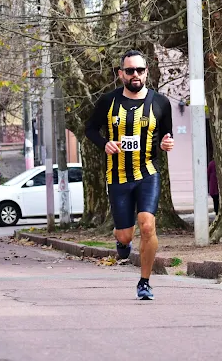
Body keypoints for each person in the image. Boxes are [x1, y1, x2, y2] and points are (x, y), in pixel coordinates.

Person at [85, 49, 174, 300]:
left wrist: (166, 143)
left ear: (146, 73)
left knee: (147, 225)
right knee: (125, 234)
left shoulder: (160, 102)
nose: (135, 75)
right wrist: (105, 143)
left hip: (147, 172)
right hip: (118, 176)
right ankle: (122, 242)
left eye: (140, 70)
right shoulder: (108, 101)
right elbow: (90, 129)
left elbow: (166, 136)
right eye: (130, 70)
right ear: (120, 74)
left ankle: (144, 282)